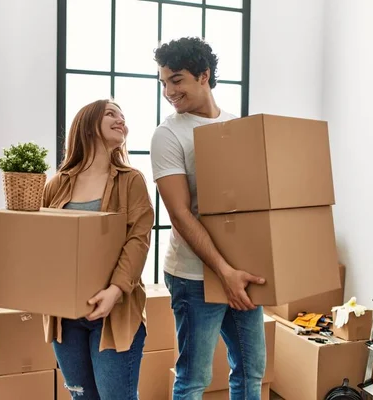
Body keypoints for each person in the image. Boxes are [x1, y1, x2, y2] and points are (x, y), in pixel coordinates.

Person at [150, 37, 267, 399]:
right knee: (194, 378)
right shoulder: (168, 134)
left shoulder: (237, 126)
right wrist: (224, 272)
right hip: (194, 276)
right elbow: (180, 215)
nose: (169, 91)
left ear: (204, 75)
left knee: (251, 371)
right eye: (163, 82)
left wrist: (245, 268)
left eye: (177, 80)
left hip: (240, 271)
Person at [42, 99, 154, 400]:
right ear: (88, 124)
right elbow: (44, 245)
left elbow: (138, 239)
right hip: (65, 317)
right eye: (111, 113)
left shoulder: (131, 181)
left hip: (114, 312)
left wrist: (115, 290)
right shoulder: (56, 185)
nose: (121, 120)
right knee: (81, 397)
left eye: (123, 116)